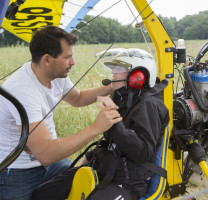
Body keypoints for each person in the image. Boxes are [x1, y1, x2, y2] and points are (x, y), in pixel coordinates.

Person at [0, 26, 122, 200]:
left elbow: (78, 98)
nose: (73, 62)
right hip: (18, 173)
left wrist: (114, 85)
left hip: (51, 162)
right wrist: (95, 128)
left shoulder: (55, 76)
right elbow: (45, 154)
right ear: (47, 59)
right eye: (67, 57)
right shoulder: (22, 90)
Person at [32, 48, 170, 200]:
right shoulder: (122, 96)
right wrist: (90, 157)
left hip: (130, 181)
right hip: (103, 168)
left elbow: (143, 153)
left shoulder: (148, 105)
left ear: (138, 75)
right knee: (43, 193)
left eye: (119, 68)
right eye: (113, 69)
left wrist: (115, 122)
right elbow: (110, 141)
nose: (114, 73)